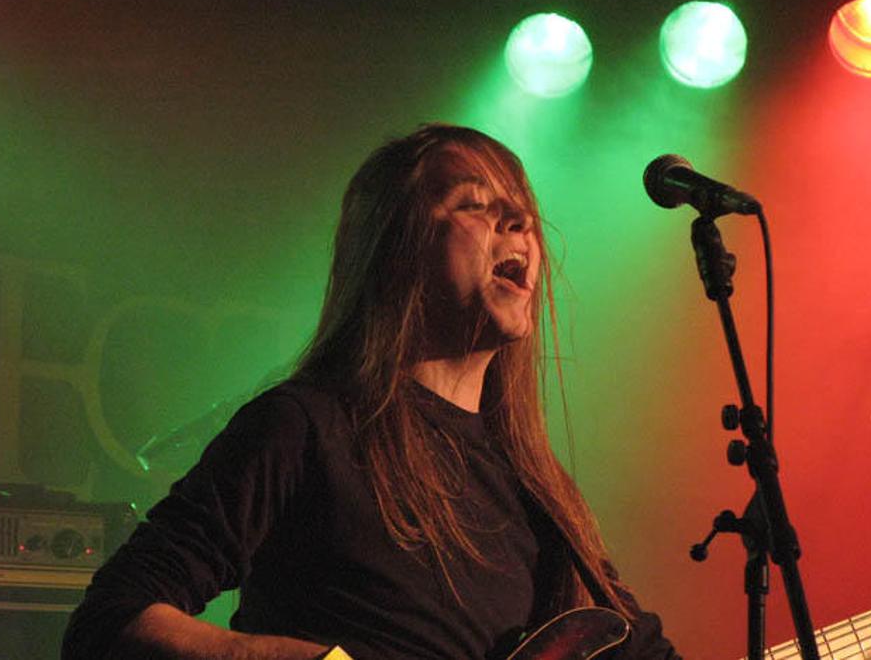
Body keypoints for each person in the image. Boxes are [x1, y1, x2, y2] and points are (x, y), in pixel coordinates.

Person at [62, 123, 680, 660]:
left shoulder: (539, 493)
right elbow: (112, 617)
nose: (520, 223)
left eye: (521, 211)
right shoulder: (305, 426)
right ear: (396, 248)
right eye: (474, 203)